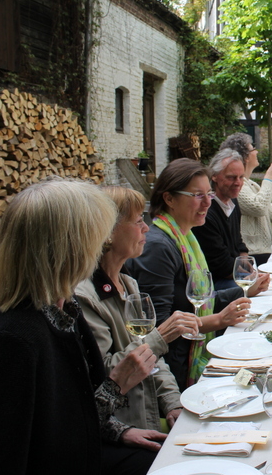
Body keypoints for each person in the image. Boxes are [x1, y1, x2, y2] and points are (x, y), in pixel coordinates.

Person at [0, 178, 159, 474]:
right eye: (97, 235)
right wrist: (115, 386)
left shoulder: (61, 307)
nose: (102, 245)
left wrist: (118, 431)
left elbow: (72, 414)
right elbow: (10, 454)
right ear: (71, 247)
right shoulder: (11, 341)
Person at [76, 186, 201, 436]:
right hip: (120, 429)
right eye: (137, 221)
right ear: (108, 233)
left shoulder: (128, 284)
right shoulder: (85, 297)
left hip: (150, 417)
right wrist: (160, 338)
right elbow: (106, 372)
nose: (146, 228)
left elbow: (154, 358)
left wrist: (173, 403)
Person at [127, 158, 258, 390]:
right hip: (173, 373)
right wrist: (218, 320)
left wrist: (244, 292)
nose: (208, 202)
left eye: (209, 194)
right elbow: (160, 329)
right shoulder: (159, 246)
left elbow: (199, 300)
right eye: (198, 195)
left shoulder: (185, 237)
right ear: (169, 198)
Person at [190, 149, 270, 290]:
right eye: (231, 177)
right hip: (214, 282)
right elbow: (220, 266)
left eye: (241, 177)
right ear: (214, 177)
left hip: (231, 271)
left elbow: (238, 241)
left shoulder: (232, 201)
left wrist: (246, 260)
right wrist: (249, 278)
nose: (238, 183)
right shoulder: (207, 212)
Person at [219, 133, 272, 265]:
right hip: (252, 255)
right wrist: (269, 177)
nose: (256, 151)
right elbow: (259, 208)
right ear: (245, 157)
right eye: (253, 149)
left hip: (264, 251)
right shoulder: (238, 187)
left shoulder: (251, 184)